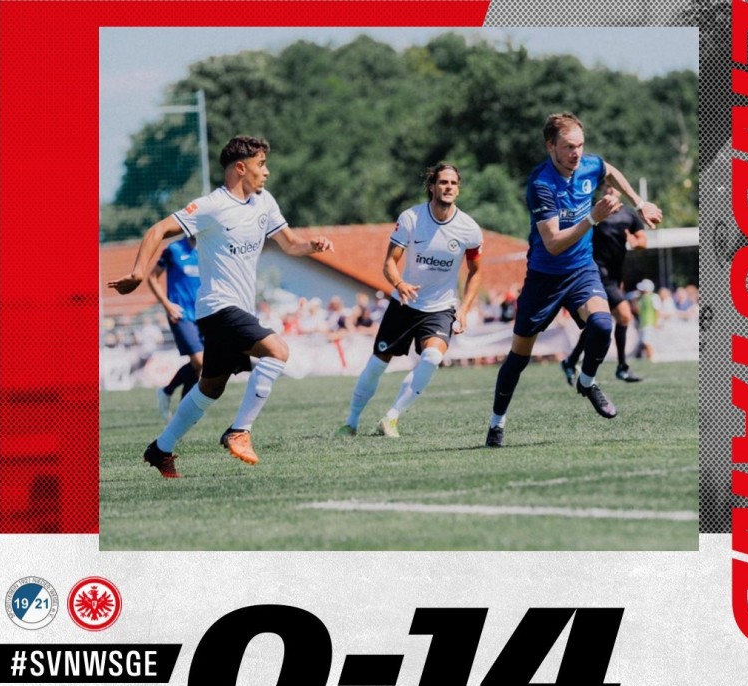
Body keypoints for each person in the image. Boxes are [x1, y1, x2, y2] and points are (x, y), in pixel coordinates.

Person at [108, 135, 334, 478]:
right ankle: (240, 430)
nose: (267, 172)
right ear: (240, 168)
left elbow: (290, 245)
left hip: (238, 310)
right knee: (277, 350)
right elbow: (158, 230)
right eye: (261, 165)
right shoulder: (212, 206)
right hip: (217, 307)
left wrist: (311, 245)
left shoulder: (265, 202)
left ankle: (160, 449)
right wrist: (139, 272)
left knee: (210, 387)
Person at [485, 112, 662, 448]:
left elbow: (610, 169)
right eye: (568, 146)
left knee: (602, 324)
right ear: (550, 146)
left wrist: (639, 203)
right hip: (544, 277)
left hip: (581, 270)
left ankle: (587, 381)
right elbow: (553, 243)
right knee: (518, 358)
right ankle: (497, 423)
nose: (576, 153)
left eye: (580, 145)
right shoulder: (541, 184)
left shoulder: (589, 165)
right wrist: (591, 219)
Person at [338, 163, 483, 437]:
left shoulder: (469, 229)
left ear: (458, 189)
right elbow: (389, 263)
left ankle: (391, 418)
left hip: (441, 308)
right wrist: (400, 284)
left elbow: (476, 272)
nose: (448, 187)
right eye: (443, 182)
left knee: (432, 357)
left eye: (453, 183)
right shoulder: (411, 218)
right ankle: (351, 422)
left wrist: (464, 310)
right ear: (432, 186)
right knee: (378, 364)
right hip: (404, 303)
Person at [559, 181, 648, 385]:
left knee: (597, 322)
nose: (610, 189)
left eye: (613, 185)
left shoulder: (629, 215)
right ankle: (622, 367)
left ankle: (571, 361)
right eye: (606, 185)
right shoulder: (594, 211)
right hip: (595, 271)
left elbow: (643, 241)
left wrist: (635, 242)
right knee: (624, 316)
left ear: (620, 190)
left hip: (615, 275)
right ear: (601, 189)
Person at [146, 235, 202, 420]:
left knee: (199, 367)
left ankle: (177, 407)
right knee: (200, 362)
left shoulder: (209, 248)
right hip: (181, 315)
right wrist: (167, 305)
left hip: (204, 315)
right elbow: (152, 277)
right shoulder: (174, 249)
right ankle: (170, 393)